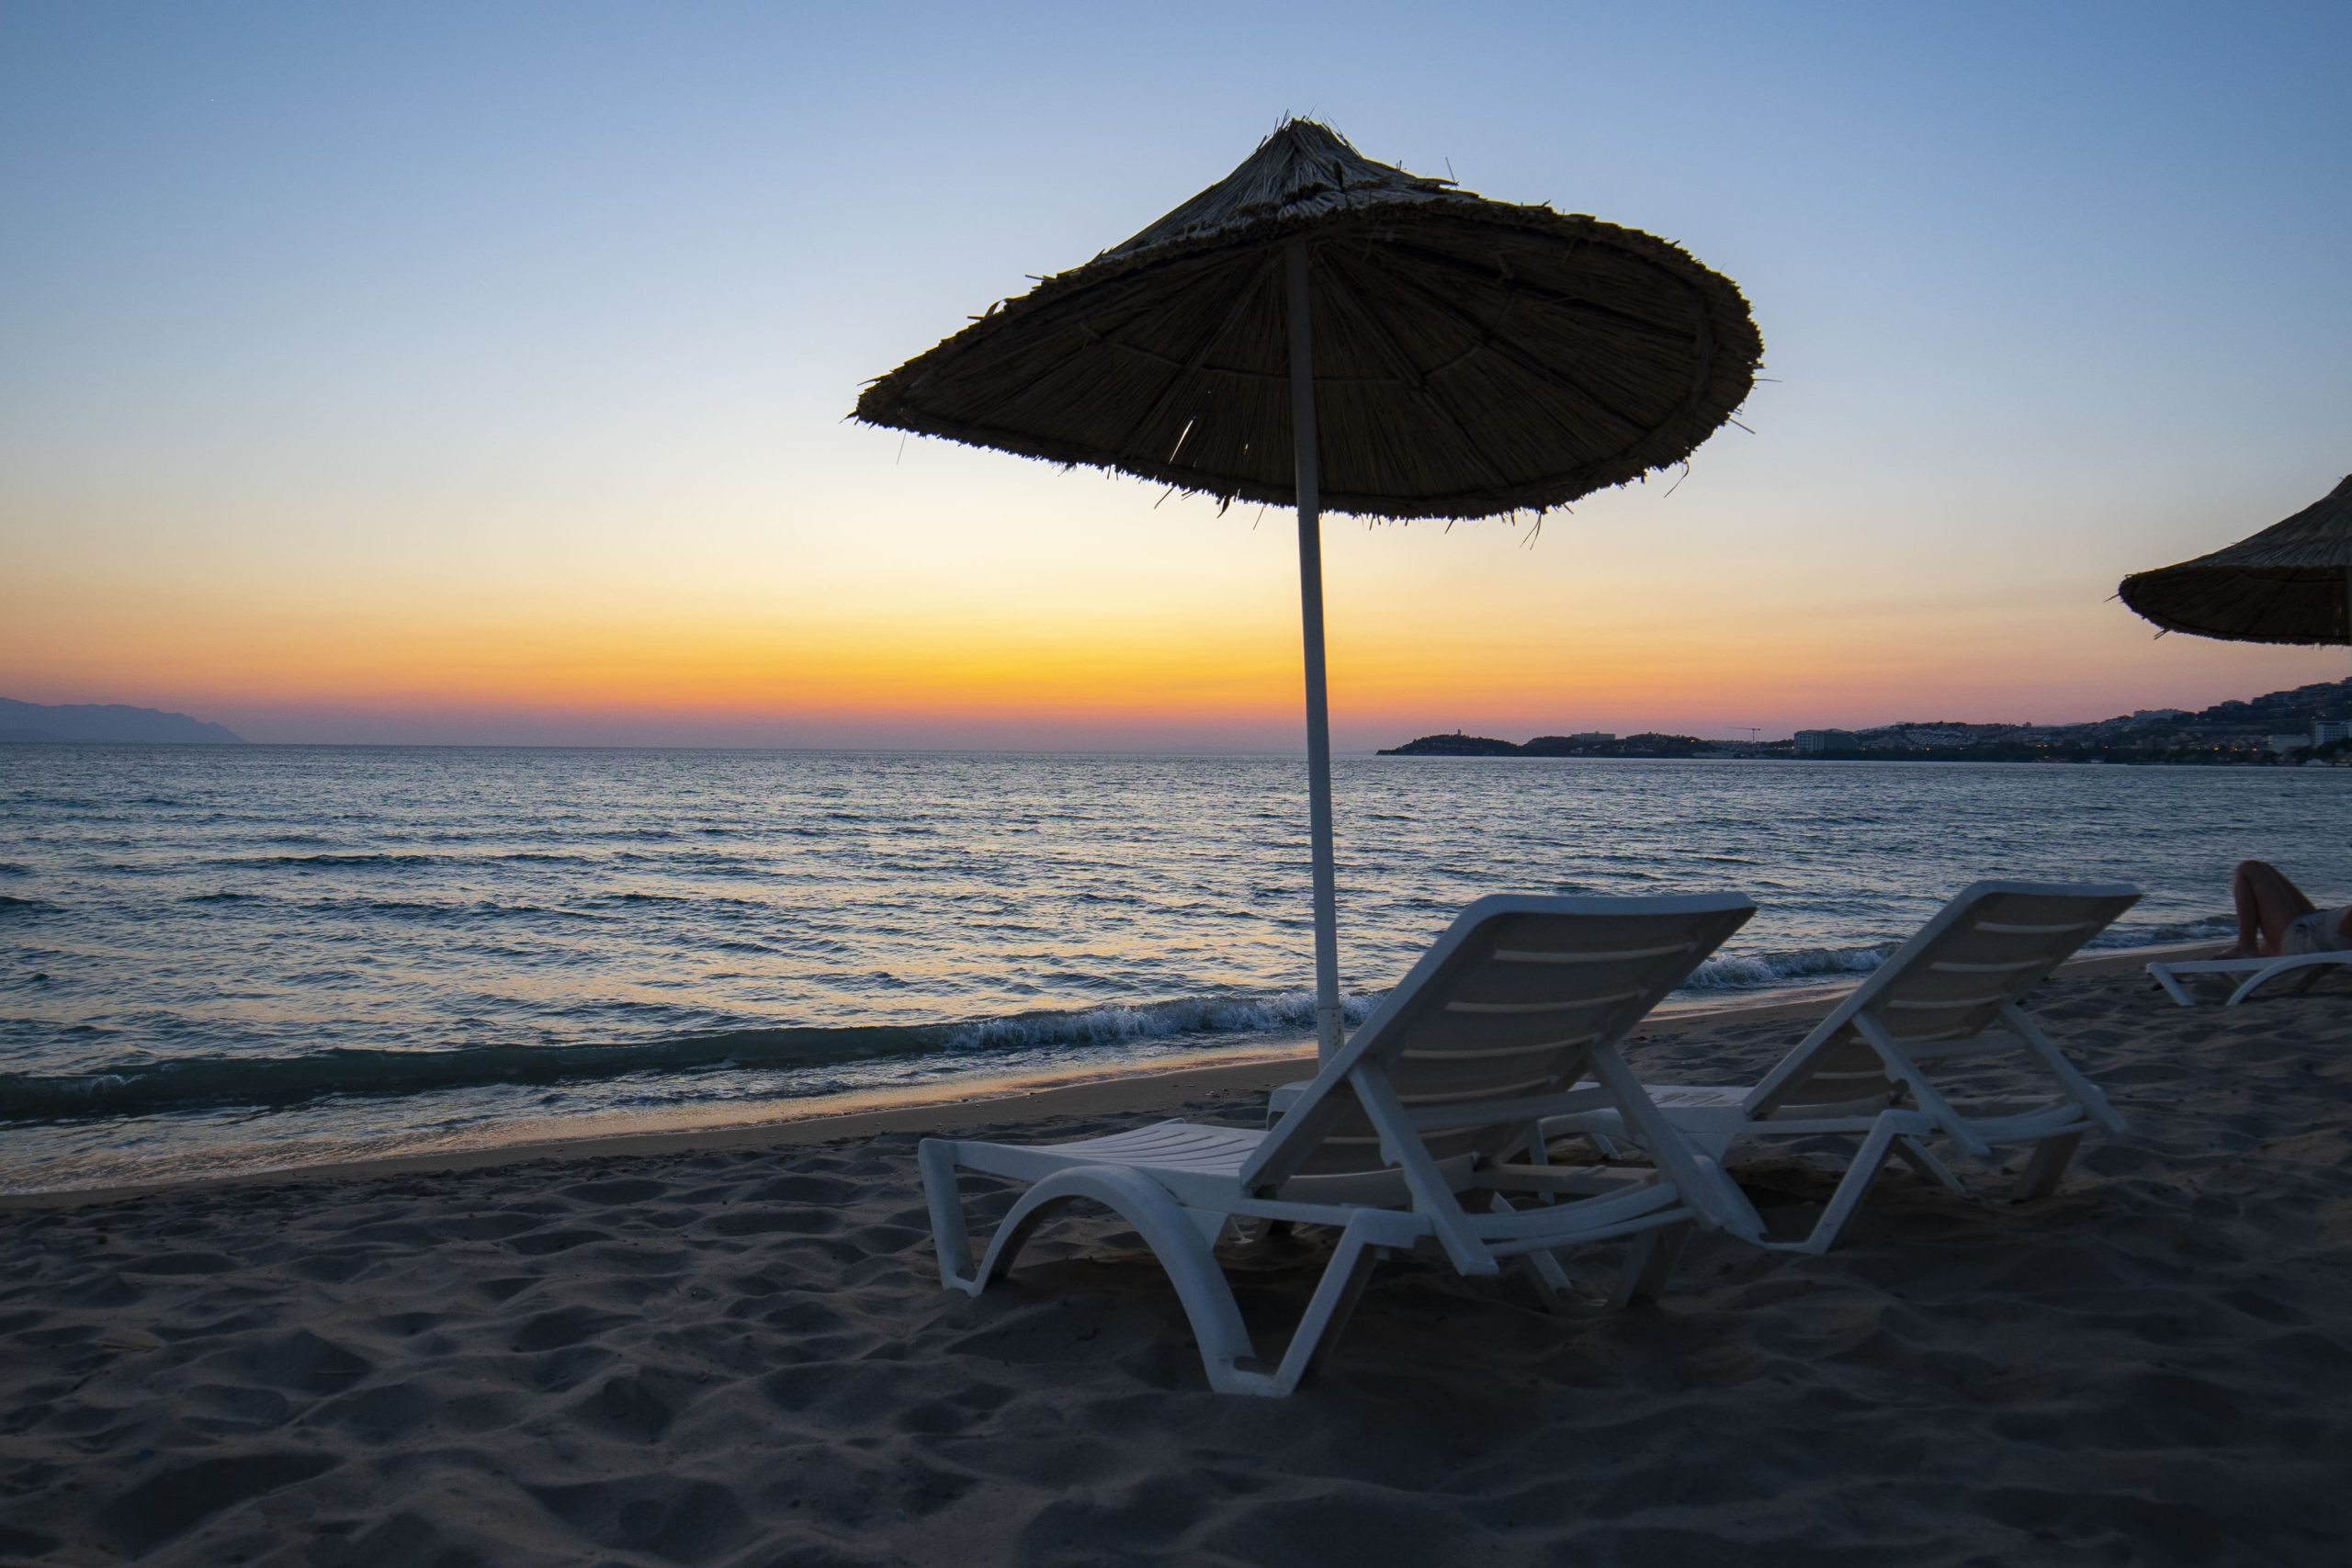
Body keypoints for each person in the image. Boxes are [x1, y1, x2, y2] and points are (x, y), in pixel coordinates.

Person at [2226, 861, 2352, 958]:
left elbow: (2346, 927)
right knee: (2262, 868)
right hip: (2316, 925)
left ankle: (2246, 946)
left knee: (2249, 869)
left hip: (2307, 939)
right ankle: (2265, 947)